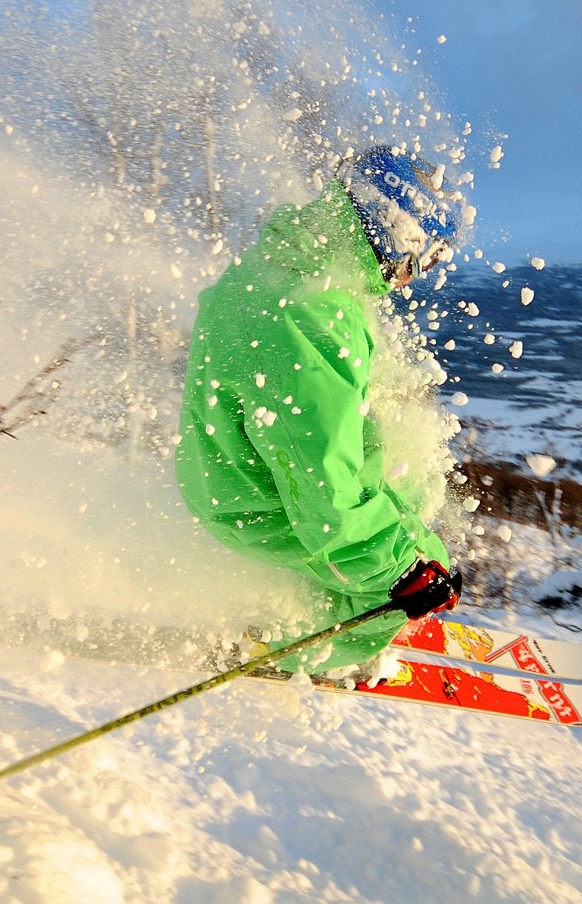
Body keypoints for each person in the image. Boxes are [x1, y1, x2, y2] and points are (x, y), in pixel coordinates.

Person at [174, 146, 469, 681]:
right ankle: (279, 643)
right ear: (391, 233)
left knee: (414, 506)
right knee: (384, 596)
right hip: (258, 508)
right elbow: (323, 493)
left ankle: (383, 574)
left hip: (230, 478)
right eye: (421, 259)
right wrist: (401, 574)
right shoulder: (312, 314)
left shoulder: (285, 270)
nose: (413, 278)